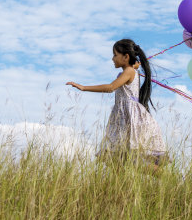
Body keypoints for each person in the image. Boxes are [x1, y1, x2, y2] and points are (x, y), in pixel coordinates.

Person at [66, 39, 168, 176]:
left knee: (129, 160)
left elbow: (110, 87)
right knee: (116, 158)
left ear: (126, 57)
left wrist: (84, 87)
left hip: (130, 119)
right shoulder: (130, 70)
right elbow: (131, 72)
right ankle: (119, 190)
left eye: (115, 55)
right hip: (124, 118)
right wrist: (135, 66)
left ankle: (167, 177)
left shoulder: (129, 71)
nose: (112, 58)